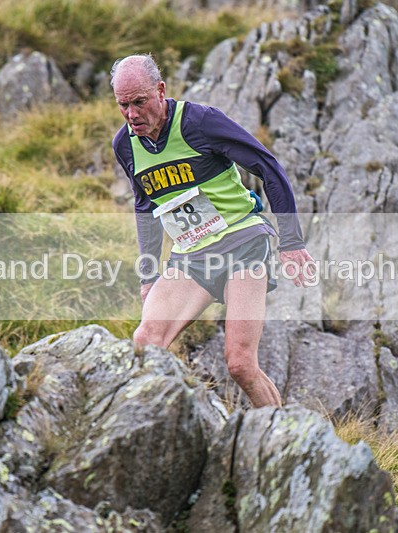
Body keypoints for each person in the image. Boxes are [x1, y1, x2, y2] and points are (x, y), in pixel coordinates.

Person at [111, 54, 314, 408]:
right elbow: (145, 207)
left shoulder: (200, 123)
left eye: (139, 102)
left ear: (160, 91)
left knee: (240, 364)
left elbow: (267, 166)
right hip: (191, 256)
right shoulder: (125, 145)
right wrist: (148, 275)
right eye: (123, 105)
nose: (132, 114)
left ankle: (283, 433)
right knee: (145, 343)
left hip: (243, 244)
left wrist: (291, 241)